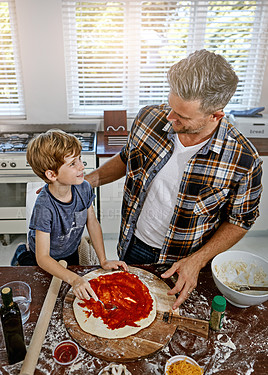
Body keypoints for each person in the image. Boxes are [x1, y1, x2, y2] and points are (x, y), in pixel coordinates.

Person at [85, 49, 263, 309]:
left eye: (182, 116)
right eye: (171, 106)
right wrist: (84, 182)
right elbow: (126, 159)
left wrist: (198, 260)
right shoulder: (148, 118)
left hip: (187, 261)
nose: (169, 117)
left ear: (216, 115)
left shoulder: (244, 159)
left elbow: (240, 221)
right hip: (134, 243)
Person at [13, 129, 127, 300]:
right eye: (73, 163)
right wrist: (74, 279)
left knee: (70, 294)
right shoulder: (44, 207)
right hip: (44, 257)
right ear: (52, 175)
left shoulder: (84, 188)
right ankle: (22, 253)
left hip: (70, 250)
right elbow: (43, 257)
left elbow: (92, 222)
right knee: (47, 294)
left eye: (80, 159)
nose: (82, 166)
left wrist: (103, 260)